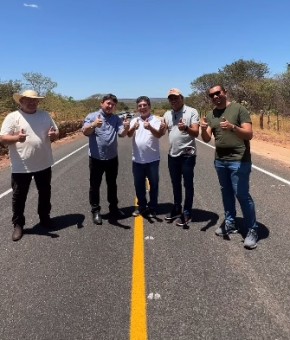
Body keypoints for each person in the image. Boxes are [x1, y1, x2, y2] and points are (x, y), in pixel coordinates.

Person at [200, 85, 258, 249]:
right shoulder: (211, 114)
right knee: (226, 192)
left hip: (239, 160)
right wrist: (204, 129)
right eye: (212, 95)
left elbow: (249, 134)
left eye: (218, 93)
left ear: (225, 93)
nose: (215, 96)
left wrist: (233, 127)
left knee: (241, 194)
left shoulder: (239, 109)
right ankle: (230, 223)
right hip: (220, 160)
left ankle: (252, 229)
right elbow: (206, 138)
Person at [0, 90, 59, 241]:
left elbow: (55, 133)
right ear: (21, 101)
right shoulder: (13, 117)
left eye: (35, 100)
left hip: (44, 163)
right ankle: (18, 225)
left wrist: (54, 135)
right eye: (28, 100)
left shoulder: (45, 115)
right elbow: (3, 139)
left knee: (45, 193)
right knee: (19, 197)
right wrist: (16, 138)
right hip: (22, 166)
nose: (32, 103)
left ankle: (45, 218)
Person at [82, 94, 130, 225]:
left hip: (112, 158)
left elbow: (122, 134)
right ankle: (95, 211)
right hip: (96, 158)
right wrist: (93, 125)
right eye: (108, 103)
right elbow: (85, 132)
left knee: (112, 184)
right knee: (95, 185)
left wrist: (126, 127)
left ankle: (113, 208)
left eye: (113, 104)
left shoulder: (116, 119)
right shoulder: (92, 116)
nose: (110, 106)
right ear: (102, 103)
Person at [163, 88, 200, 227]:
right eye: (171, 99)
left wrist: (186, 128)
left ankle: (187, 211)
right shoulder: (167, 114)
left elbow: (196, 133)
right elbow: (163, 131)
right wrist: (161, 127)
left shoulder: (191, 112)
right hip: (172, 154)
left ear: (182, 98)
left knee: (188, 184)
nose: (173, 101)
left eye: (176, 98)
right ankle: (177, 207)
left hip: (187, 155)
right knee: (175, 183)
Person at [127, 96, 165, 218]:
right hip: (137, 160)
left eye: (145, 105)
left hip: (152, 159)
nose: (142, 107)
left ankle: (153, 207)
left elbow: (159, 135)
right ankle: (142, 206)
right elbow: (128, 134)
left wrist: (150, 127)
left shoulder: (156, 120)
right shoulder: (134, 120)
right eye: (140, 106)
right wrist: (133, 127)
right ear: (137, 108)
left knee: (154, 185)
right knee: (139, 185)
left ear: (149, 106)